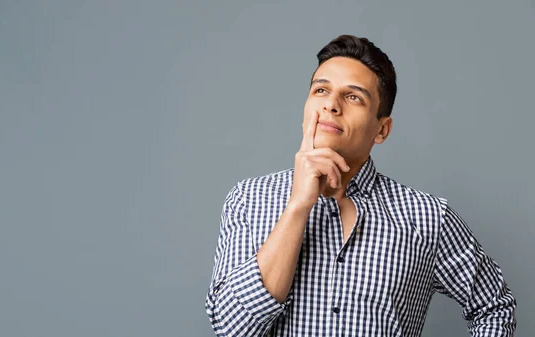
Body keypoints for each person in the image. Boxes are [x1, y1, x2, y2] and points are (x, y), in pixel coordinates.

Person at [204, 34, 517, 337]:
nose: (332, 105)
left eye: (353, 97)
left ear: (382, 130)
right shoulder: (249, 200)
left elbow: (494, 306)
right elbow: (232, 330)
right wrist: (298, 206)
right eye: (320, 91)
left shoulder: (428, 217)